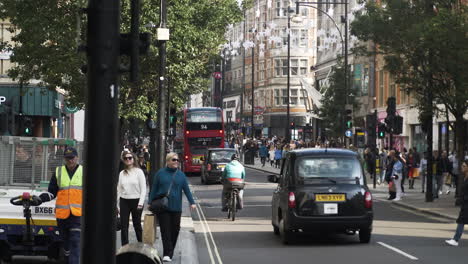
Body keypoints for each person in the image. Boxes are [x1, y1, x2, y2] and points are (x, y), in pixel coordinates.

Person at [149, 152, 196, 262]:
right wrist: (150, 202)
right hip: (163, 207)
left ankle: (170, 251)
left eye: (177, 160)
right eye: (174, 160)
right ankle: (167, 253)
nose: (176, 162)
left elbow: (187, 190)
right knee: (165, 231)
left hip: (176, 208)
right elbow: (154, 188)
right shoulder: (160, 174)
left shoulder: (181, 175)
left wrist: (192, 202)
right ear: (168, 161)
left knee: (175, 230)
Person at [39, 147, 82, 264]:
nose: (70, 161)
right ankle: (68, 259)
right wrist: (40, 199)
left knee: (75, 241)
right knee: (66, 243)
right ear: (64, 159)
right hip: (62, 215)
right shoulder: (58, 172)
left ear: (77, 158)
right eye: (68, 158)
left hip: (77, 215)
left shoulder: (84, 172)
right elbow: (51, 192)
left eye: (72, 158)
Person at [117, 151, 146, 246]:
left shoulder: (139, 172)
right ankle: (124, 247)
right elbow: (119, 189)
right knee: (124, 226)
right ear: (123, 160)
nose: (128, 160)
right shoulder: (121, 173)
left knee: (137, 224)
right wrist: (117, 204)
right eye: (125, 158)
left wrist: (141, 203)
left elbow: (143, 189)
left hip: (137, 201)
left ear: (133, 159)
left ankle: (141, 245)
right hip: (124, 200)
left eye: (130, 158)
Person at [445, 160, 468, 246]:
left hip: (466, 204)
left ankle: (455, 240)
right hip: (465, 203)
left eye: (464, 166)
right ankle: (455, 239)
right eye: (462, 166)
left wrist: (464, 198)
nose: (462, 167)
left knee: (461, 221)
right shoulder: (464, 177)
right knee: (461, 220)